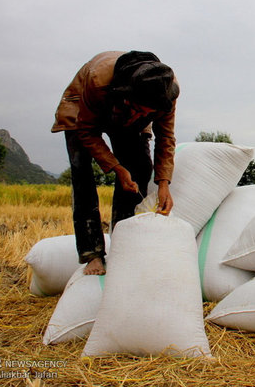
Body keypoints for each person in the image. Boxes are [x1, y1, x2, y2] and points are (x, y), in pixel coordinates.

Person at [51, 51, 179, 275]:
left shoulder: (166, 91)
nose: (145, 114)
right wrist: (117, 168)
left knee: (140, 168)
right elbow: (87, 132)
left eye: (149, 113)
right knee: (82, 173)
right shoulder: (97, 81)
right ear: (128, 96)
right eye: (140, 109)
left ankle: (123, 244)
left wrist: (164, 183)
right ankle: (93, 254)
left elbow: (166, 138)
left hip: (126, 118)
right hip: (82, 110)